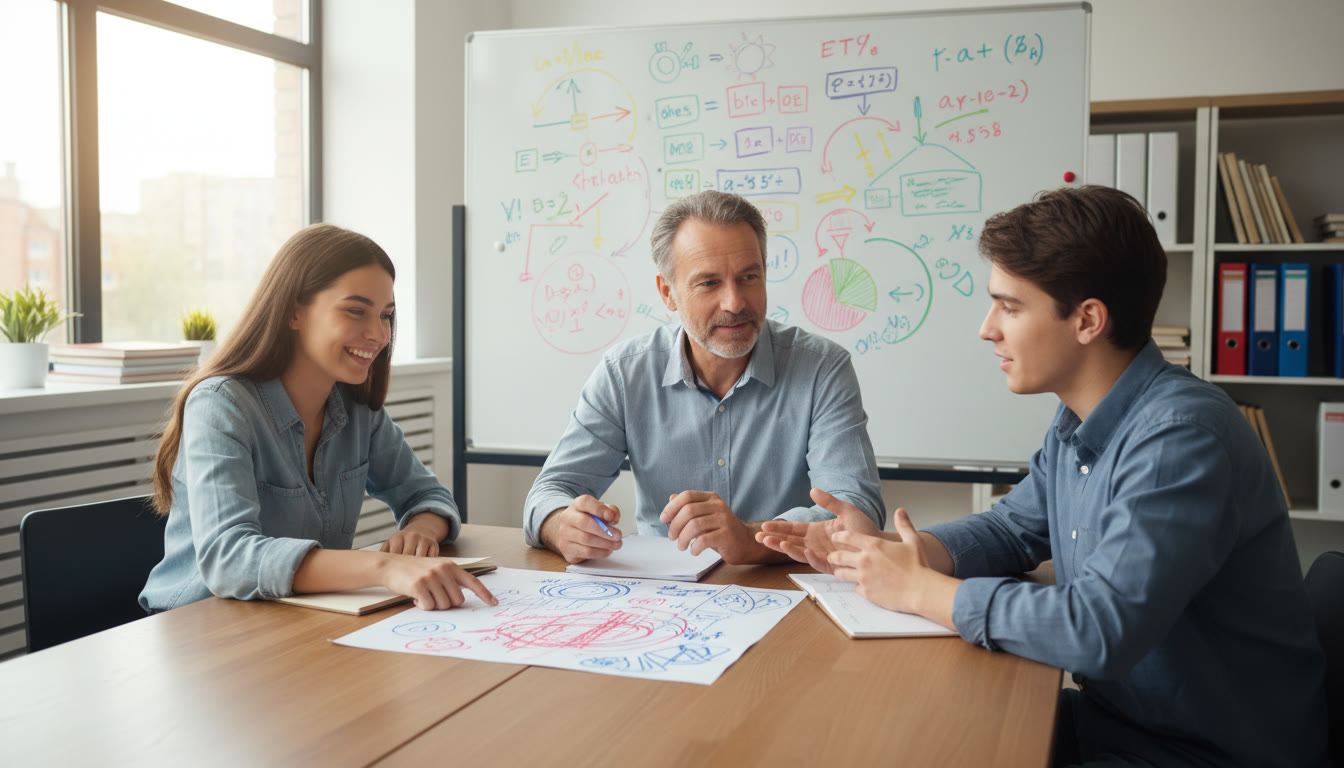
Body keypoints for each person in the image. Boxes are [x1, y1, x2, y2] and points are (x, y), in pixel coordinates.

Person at [758, 186, 1329, 767]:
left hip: (1204, 751)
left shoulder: (1181, 439)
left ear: (1087, 320)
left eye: (1010, 306)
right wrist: (890, 553)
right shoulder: (1079, 418)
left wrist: (922, 591)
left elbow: (1098, 629)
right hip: (1124, 724)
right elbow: (1013, 529)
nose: (987, 328)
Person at [140, 223, 496, 613]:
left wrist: (420, 530)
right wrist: (385, 566)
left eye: (387, 315)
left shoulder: (356, 408)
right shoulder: (221, 406)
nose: (378, 334)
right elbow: (230, 558)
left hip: (294, 619)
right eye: (356, 311)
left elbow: (428, 496)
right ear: (294, 311)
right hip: (201, 627)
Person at [524, 190, 884, 565]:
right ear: (668, 292)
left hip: (785, 588)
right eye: (709, 283)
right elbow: (550, 492)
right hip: (664, 598)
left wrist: (750, 540)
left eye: (749, 277)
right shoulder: (625, 373)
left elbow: (857, 514)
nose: (735, 302)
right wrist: (561, 525)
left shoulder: (822, 369)